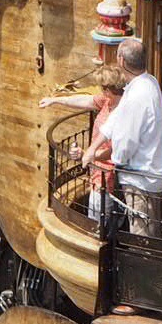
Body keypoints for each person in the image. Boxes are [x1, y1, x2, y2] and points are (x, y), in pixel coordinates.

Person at [94, 38, 162, 236]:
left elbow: (127, 141)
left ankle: (146, 266)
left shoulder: (138, 94)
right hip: (147, 175)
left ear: (121, 60)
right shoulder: (147, 82)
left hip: (140, 180)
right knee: (145, 228)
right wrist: (93, 149)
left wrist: (114, 159)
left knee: (143, 235)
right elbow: (116, 120)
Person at [42, 67, 126, 221]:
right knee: (104, 218)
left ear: (108, 89)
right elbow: (84, 101)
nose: (101, 91)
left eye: (102, 88)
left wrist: (87, 155)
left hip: (108, 177)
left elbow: (115, 150)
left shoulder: (123, 111)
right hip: (99, 173)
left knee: (98, 221)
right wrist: (56, 100)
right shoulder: (108, 102)